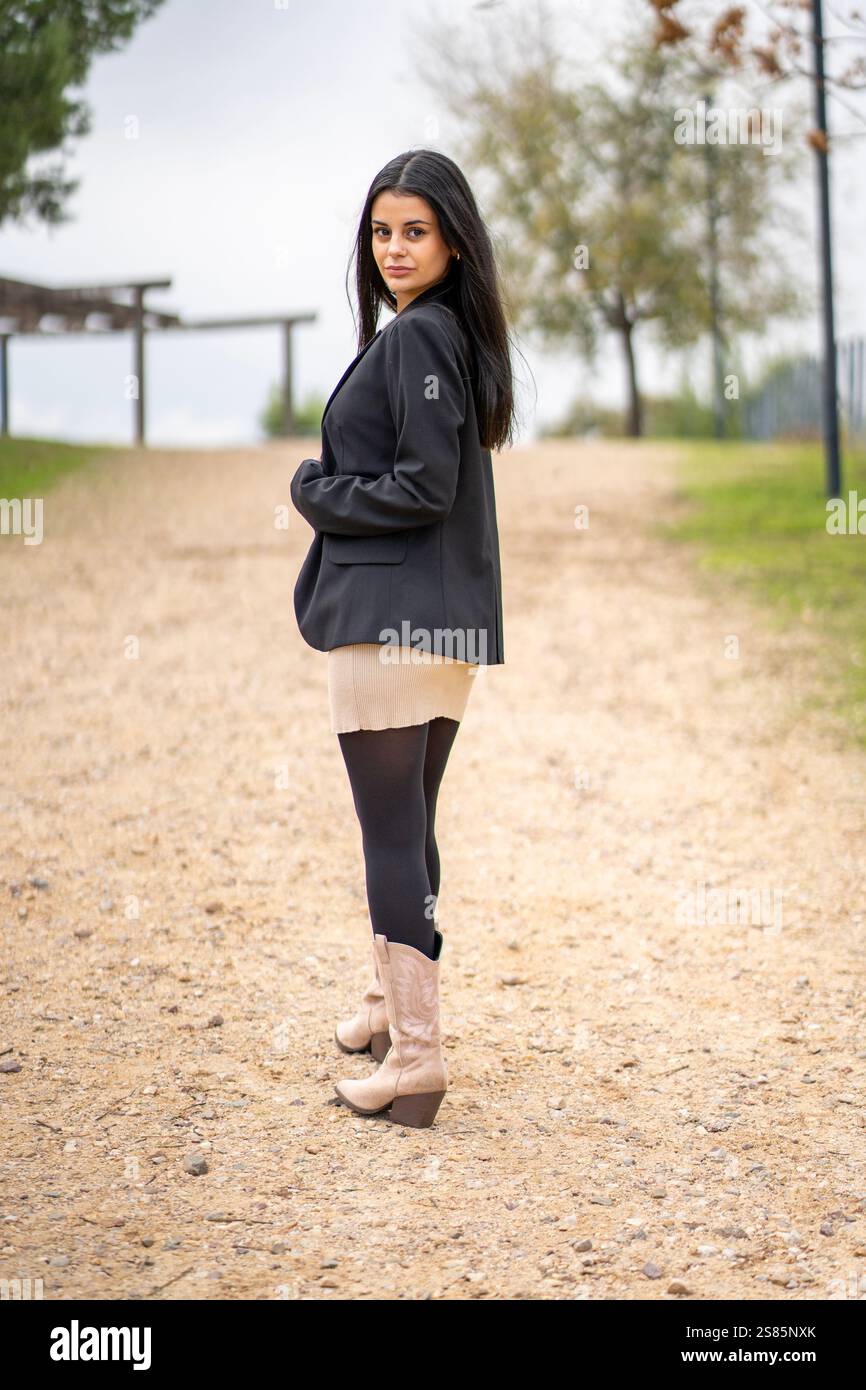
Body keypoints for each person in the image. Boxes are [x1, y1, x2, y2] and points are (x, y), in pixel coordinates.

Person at [290, 148, 515, 1128]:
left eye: (413, 230)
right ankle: (391, 1008)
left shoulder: (419, 338)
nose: (392, 248)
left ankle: (416, 1059)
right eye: (381, 231)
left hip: (389, 623)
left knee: (389, 836)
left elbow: (422, 487)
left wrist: (315, 492)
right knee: (409, 830)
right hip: (439, 624)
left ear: (454, 240)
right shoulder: (451, 336)